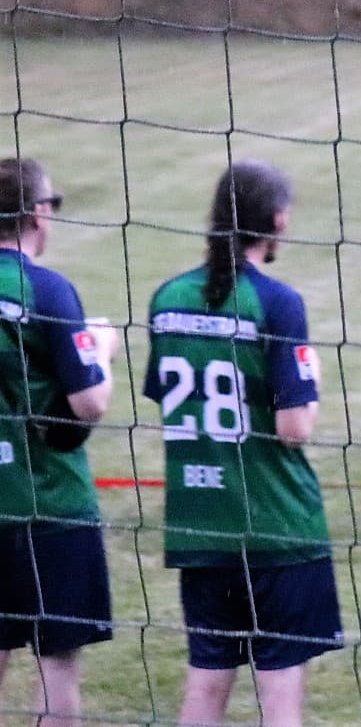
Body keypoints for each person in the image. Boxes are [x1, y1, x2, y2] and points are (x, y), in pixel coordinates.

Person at [143, 160, 340, 727]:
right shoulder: (277, 303)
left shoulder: (167, 298)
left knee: (205, 685)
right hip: (277, 527)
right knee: (278, 697)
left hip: (202, 526)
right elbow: (294, 427)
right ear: (276, 221)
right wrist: (314, 380)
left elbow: (168, 396)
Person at [0, 159, 117, 727]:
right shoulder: (46, 289)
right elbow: (88, 404)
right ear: (39, 213)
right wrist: (104, 353)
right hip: (51, 506)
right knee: (56, 673)